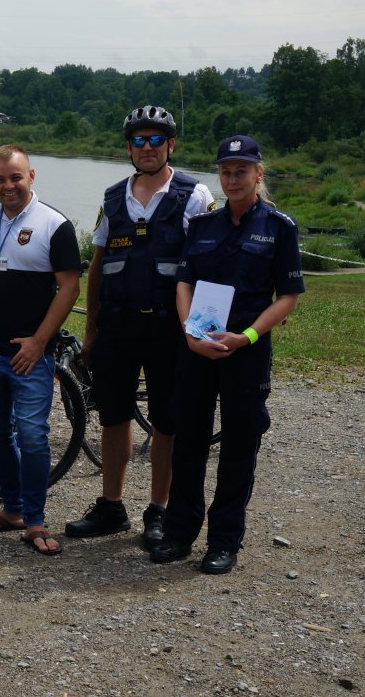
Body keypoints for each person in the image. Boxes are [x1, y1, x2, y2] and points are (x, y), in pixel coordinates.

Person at [150, 135, 304, 574]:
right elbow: (184, 283)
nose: (232, 178)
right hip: (197, 348)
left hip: (246, 351)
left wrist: (248, 337)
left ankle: (224, 540)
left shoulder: (279, 227)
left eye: (241, 170)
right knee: (189, 443)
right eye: (225, 171)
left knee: (239, 446)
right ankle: (180, 532)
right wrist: (187, 333)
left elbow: (288, 296)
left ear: (259, 173)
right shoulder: (202, 225)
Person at [65, 105, 215, 548]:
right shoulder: (113, 198)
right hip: (117, 328)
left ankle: (160, 510)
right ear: (128, 147)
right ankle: (111, 506)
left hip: (171, 331)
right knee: (112, 417)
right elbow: (96, 269)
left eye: (156, 140)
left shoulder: (194, 195)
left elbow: (207, 268)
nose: (147, 148)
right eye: (139, 140)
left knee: (167, 422)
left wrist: (201, 332)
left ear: (171, 145)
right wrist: (91, 332)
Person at [0, 145, 80, 554]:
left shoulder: (54, 224)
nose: (8, 186)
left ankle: (36, 521)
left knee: (34, 436)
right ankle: (13, 509)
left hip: (31, 355)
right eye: (0, 179)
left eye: (16, 177)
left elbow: (70, 287)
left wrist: (40, 342)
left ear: (31, 176)